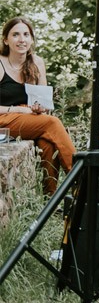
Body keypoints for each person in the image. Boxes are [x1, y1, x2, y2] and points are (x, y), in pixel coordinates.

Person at [0, 17, 75, 195]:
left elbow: (44, 104)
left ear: (32, 39)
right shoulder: (0, 63)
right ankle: (81, 179)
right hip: (3, 120)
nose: (21, 39)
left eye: (26, 34)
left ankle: (50, 198)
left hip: (25, 119)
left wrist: (38, 108)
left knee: (47, 143)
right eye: (15, 34)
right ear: (6, 40)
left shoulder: (36, 62)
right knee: (52, 123)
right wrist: (18, 109)